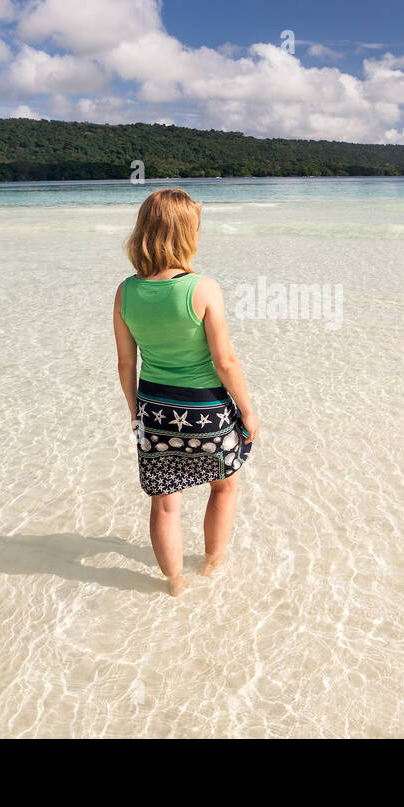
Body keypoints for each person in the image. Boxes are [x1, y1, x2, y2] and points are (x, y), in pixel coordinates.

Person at [113, 187, 259, 596]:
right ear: (187, 232)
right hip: (207, 410)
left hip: (156, 410)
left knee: (164, 501)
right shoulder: (203, 287)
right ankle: (213, 564)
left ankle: (175, 583)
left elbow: (127, 363)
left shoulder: (126, 291)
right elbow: (225, 361)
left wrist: (135, 412)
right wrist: (247, 410)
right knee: (224, 485)